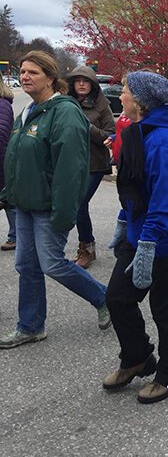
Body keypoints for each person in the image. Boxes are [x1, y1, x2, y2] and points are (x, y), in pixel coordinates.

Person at [0, 51, 110, 349]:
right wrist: (8, 194)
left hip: (48, 207)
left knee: (52, 264)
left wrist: (65, 212)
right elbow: (18, 158)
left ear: (51, 77)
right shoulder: (29, 111)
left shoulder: (64, 111)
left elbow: (71, 167)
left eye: (33, 72)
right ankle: (30, 326)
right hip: (23, 204)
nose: (24, 77)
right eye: (22, 71)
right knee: (26, 265)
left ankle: (106, 298)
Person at [102, 71, 168, 404]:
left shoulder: (164, 141)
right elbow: (133, 186)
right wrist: (124, 220)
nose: (122, 96)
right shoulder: (136, 133)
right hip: (139, 235)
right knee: (117, 298)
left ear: (141, 101)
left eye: (126, 91)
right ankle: (137, 357)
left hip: (166, 241)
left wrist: (148, 243)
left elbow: (165, 200)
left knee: (165, 309)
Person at [65, 65, 116, 269]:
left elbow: (109, 134)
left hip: (94, 163)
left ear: (92, 84)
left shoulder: (101, 105)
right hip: (71, 162)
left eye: (85, 81)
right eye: (77, 81)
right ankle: (84, 247)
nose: (81, 84)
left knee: (80, 203)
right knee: (73, 204)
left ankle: (87, 248)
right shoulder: (67, 103)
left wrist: (87, 128)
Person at [0, 81, 16, 251]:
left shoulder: (2, 104)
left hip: (2, 159)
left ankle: (15, 236)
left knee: (8, 200)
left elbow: (1, 133)